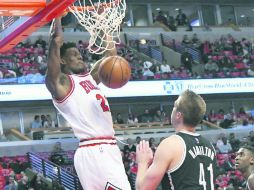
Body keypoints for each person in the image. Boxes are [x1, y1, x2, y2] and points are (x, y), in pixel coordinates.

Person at [45, 16, 131, 189]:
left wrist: (104, 23)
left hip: (105, 148)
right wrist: (58, 17)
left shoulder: (90, 78)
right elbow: (56, 42)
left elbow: (111, 58)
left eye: (79, 54)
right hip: (96, 148)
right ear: (62, 61)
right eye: (74, 55)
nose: (80, 57)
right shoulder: (62, 84)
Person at [135, 90, 218, 190]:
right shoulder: (209, 145)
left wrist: (142, 162)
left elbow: (143, 188)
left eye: (174, 106)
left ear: (178, 115)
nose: (172, 109)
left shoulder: (171, 144)